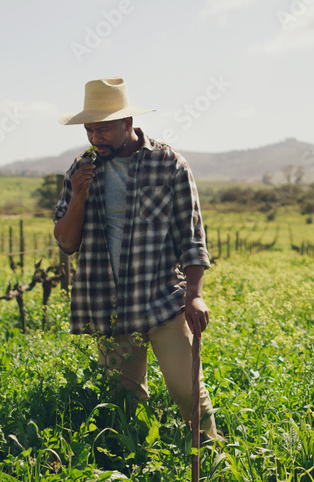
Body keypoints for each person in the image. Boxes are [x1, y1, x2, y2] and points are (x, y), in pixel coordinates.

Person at [53, 77, 221, 442]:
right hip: (109, 306)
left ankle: (210, 456)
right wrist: (79, 196)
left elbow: (192, 235)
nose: (96, 138)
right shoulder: (81, 170)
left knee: (187, 390)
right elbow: (66, 243)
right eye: (90, 130)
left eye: (105, 129)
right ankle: (133, 468)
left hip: (162, 300)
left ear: (128, 124)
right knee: (124, 400)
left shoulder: (169, 164)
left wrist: (194, 294)